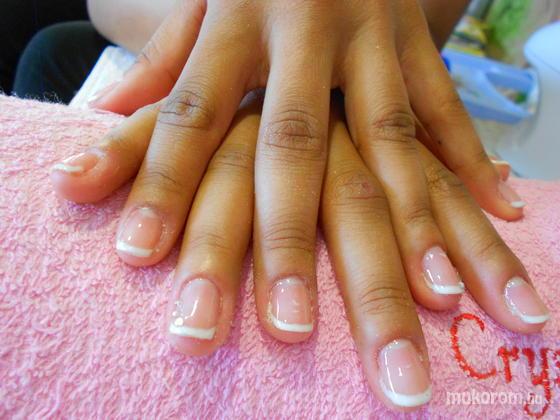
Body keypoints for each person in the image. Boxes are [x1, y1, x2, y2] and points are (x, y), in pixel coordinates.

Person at [49, 0, 549, 411]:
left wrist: (301, 62)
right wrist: (249, 42)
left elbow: (414, 29)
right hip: (212, 60)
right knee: (52, 47)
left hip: (369, 89)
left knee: (50, 52)